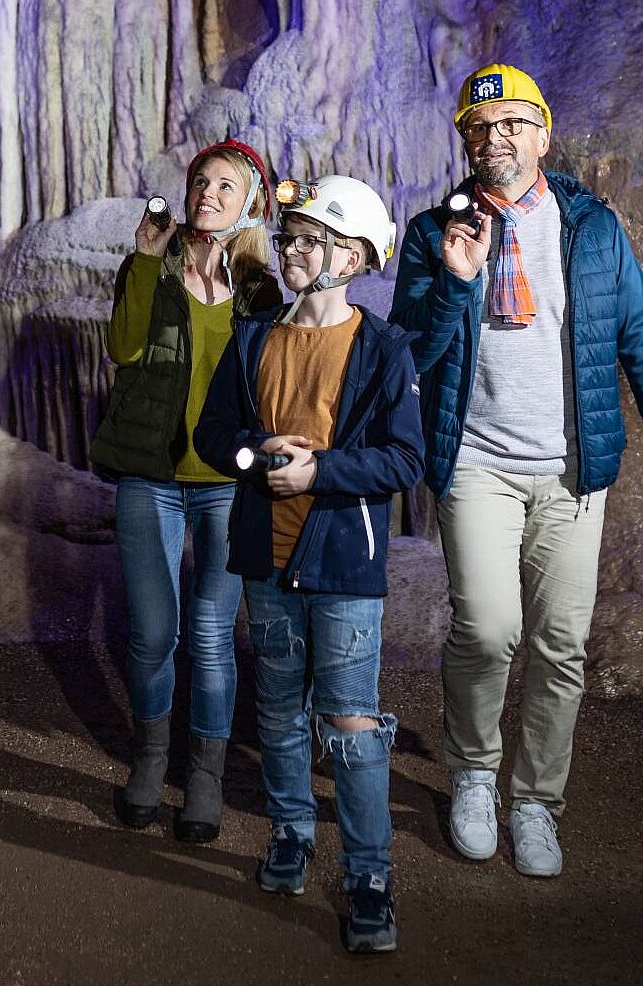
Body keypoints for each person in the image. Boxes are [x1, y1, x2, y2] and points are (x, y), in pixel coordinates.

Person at [390, 63, 643, 878]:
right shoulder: (432, 232)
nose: (495, 138)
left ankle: (534, 802)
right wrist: (455, 282)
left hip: (571, 471)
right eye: (479, 126)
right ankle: (472, 775)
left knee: (560, 643)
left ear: (542, 134)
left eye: (511, 124)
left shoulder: (592, 229)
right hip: (475, 464)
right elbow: (409, 356)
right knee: (487, 630)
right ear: (465, 140)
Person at [195, 175, 423, 954]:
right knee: (279, 711)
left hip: (343, 564)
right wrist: (254, 451)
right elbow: (212, 436)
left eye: (308, 240)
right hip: (265, 557)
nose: (290, 251)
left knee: (351, 723)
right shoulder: (253, 337)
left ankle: (368, 876)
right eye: (288, 238)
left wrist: (320, 472)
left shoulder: (383, 349)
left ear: (351, 257)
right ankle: (290, 833)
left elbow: (405, 460)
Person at [89, 139, 281, 844]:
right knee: (152, 634)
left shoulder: (260, 290)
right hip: (152, 475)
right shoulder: (152, 267)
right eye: (201, 181)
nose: (207, 194)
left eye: (225, 186)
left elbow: (273, 381)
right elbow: (122, 348)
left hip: (225, 483)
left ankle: (204, 774)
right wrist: (144, 259)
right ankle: (149, 758)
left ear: (249, 204)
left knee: (209, 634)